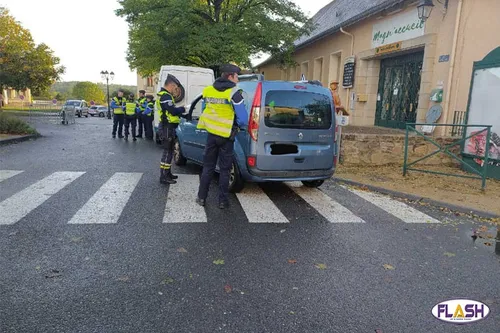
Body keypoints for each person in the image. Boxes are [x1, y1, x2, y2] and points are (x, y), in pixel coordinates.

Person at [196, 64, 248, 209]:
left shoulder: (208, 90)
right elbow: (243, 119)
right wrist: (235, 125)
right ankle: (223, 201)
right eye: (237, 76)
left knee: (208, 167)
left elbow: (204, 111)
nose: (238, 79)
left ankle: (201, 198)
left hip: (211, 135)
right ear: (231, 76)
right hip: (226, 136)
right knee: (225, 170)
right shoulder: (234, 93)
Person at [157, 74, 187, 185]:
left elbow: (170, 112)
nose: (176, 89)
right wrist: (183, 108)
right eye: (175, 87)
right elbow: (172, 111)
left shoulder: (165, 95)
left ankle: (167, 173)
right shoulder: (166, 96)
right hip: (166, 127)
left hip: (168, 127)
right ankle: (163, 176)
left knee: (169, 151)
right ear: (171, 84)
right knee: (167, 152)